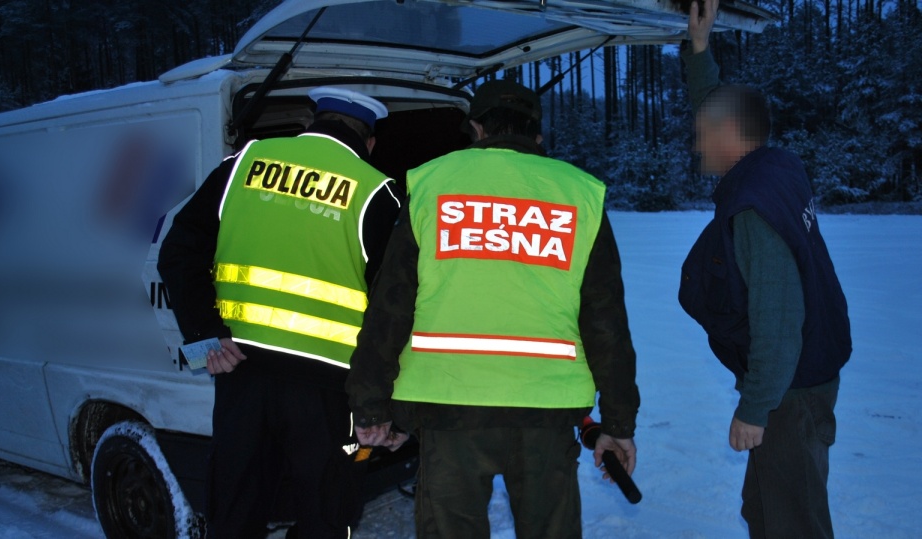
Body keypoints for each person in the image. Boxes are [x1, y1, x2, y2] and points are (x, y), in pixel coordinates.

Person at [345, 79, 640, 539]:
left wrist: (372, 405)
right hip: (547, 411)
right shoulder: (579, 193)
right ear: (537, 135)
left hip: (450, 410)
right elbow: (606, 321)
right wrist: (618, 422)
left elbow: (390, 307)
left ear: (477, 130)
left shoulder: (431, 183)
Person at [157, 87, 402, 539]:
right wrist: (385, 405)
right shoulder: (377, 192)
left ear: (310, 124)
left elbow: (177, 253)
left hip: (240, 375)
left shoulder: (242, 164)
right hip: (330, 392)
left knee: (234, 512)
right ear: (369, 142)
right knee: (326, 515)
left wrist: (203, 334)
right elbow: (393, 312)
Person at [677, 1, 852, 537]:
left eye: (702, 132)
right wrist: (700, 49)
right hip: (802, 381)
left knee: (792, 521)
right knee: (765, 510)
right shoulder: (778, 166)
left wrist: (755, 409)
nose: (695, 141)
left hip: (789, 393)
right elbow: (714, 105)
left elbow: (778, 317)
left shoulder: (753, 206)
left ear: (729, 133)